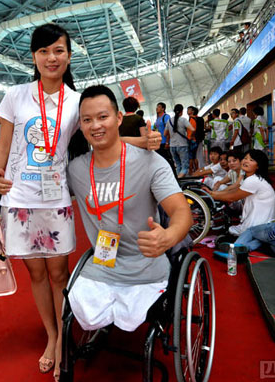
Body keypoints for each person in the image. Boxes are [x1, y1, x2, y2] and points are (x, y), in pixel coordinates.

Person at [0, 23, 161, 380]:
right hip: (19, 199)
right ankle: (52, 336)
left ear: (68, 55)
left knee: (58, 272)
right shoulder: (15, 95)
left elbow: (102, 138)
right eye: (44, 51)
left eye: (59, 51)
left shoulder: (75, 102)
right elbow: (3, 147)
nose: (51, 58)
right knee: (36, 273)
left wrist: (145, 143)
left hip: (56, 198)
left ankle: (64, 335)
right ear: (34, 57)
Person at [64, 85, 192, 334]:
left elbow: (180, 211)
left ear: (119, 118)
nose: (95, 125)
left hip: (147, 269)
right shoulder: (76, 170)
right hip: (102, 264)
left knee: (131, 319)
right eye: (87, 120)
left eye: (103, 117)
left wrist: (168, 236)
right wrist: (6, 184)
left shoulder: (151, 163)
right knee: (78, 312)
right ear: (80, 126)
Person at [204, 150, 275, 237]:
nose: (246, 161)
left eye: (251, 160)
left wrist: (211, 195)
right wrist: (213, 193)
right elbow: (234, 191)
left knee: (231, 234)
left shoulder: (253, 180)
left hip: (258, 226)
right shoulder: (254, 178)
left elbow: (232, 197)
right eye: (245, 158)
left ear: (258, 166)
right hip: (263, 225)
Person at [167, 104, 193, 177]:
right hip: (182, 145)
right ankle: (178, 180)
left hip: (172, 146)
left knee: (178, 165)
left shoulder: (169, 120)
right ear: (181, 111)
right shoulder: (183, 120)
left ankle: (179, 182)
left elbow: (165, 133)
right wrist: (189, 135)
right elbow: (192, 129)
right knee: (184, 167)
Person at [153, 102, 175, 174]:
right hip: (159, 142)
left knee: (168, 159)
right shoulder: (157, 118)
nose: (157, 108)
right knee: (161, 160)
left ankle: (172, 174)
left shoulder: (166, 117)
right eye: (157, 106)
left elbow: (168, 129)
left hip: (165, 142)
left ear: (163, 108)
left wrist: (167, 142)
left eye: (159, 107)